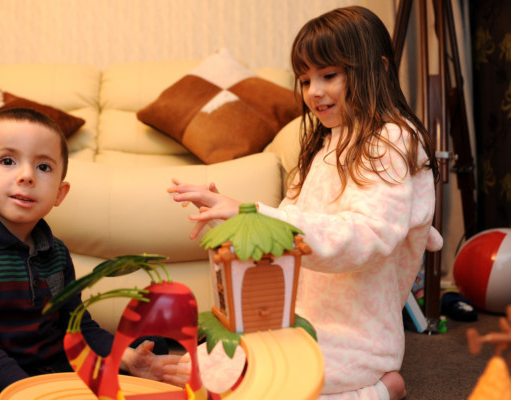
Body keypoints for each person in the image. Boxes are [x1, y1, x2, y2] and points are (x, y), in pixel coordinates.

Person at [168, 6, 443, 400]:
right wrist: (230, 221)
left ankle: (381, 390)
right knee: (209, 369)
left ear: (377, 69)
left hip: (355, 336)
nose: (313, 91)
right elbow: (288, 227)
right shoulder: (323, 144)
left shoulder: (392, 140)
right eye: (304, 79)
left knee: (262, 385)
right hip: (297, 321)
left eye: (328, 75)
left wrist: (253, 213)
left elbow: (366, 237)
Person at [0, 108, 185, 400]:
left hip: (56, 372)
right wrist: (29, 393)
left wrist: (129, 359)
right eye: (7, 161)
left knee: (149, 346)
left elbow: (76, 327)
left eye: (43, 167)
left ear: (59, 193)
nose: (27, 175)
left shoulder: (56, 251)